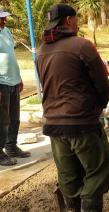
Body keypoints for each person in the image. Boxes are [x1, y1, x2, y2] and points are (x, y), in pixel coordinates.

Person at [36, 4, 109, 211]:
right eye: (76, 19)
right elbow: (102, 83)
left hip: (53, 124)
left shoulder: (41, 51)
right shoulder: (82, 46)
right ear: (69, 21)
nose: (77, 23)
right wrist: (100, 106)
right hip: (82, 122)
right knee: (97, 172)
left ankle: (71, 208)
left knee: (68, 176)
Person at [0, 8, 31, 166]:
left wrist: (18, 78)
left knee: (14, 118)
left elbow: (11, 55)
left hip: (13, 81)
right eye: (1, 18)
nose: (4, 21)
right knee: (2, 121)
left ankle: (11, 146)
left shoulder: (5, 32)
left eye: (5, 18)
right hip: (1, 84)